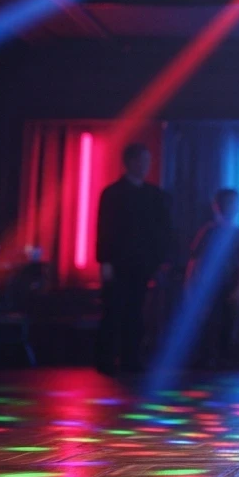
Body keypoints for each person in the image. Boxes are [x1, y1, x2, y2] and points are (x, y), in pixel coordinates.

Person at [96, 143, 171, 375]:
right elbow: (104, 228)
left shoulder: (155, 196)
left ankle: (130, 358)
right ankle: (108, 358)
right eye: (142, 160)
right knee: (114, 310)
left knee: (135, 312)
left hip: (142, 263)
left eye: (148, 161)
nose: (146, 166)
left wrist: (159, 261)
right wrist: (105, 261)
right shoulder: (113, 194)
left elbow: (161, 231)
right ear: (130, 162)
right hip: (118, 262)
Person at [185, 189, 239, 368]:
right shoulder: (208, 232)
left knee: (228, 325)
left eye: (234, 203)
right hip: (208, 287)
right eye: (229, 203)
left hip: (228, 284)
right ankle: (208, 359)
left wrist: (238, 289)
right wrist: (191, 288)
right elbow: (194, 262)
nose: (232, 207)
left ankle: (223, 359)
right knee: (208, 324)